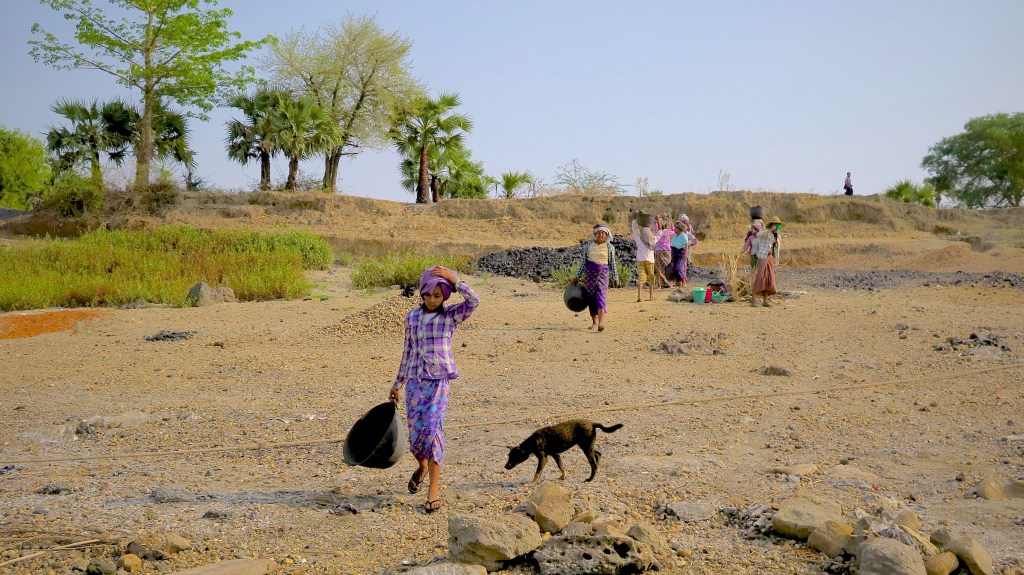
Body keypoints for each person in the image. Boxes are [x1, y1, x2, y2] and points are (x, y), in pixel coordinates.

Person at [389, 265, 480, 513]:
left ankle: (433, 491)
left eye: (437, 296)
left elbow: (474, 301)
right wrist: (397, 384)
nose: (431, 300)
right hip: (415, 383)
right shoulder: (412, 318)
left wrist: (456, 280)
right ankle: (422, 467)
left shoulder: (451, 316)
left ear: (445, 297)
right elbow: (407, 352)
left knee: (433, 430)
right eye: (427, 295)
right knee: (417, 438)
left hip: (439, 382)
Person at [572, 223, 619, 331]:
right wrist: (577, 276)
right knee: (591, 298)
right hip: (590, 275)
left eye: (603, 233)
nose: (600, 235)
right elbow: (583, 262)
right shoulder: (588, 245)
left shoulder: (609, 247)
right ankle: (594, 322)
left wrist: (616, 277)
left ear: (606, 235)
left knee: (601, 296)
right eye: (598, 233)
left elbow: (612, 263)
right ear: (595, 234)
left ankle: (601, 324)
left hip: (603, 274)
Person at [750, 216, 782, 307]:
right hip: (763, 256)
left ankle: (765, 300)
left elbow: (776, 249)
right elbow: (759, 234)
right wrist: (770, 230)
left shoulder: (778, 236)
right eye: (776, 225)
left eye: (779, 225)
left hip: (770, 258)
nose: (778, 227)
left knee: (769, 279)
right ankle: (753, 299)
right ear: (772, 225)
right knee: (760, 277)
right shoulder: (765, 232)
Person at [631, 215, 662, 302]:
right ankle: (651, 296)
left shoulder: (639, 239)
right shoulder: (653, 240)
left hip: (640, 260)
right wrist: (658, 221)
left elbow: (634, 229)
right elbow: (660, 232)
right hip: (650, 261)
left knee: (641, 278)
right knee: (651, 278)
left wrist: (635, 218)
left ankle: (639, 297)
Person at [652, 213, 674, 288]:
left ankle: (659, 284)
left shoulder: (658, 231)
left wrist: (659, 217)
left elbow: (653, 223)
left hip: (659, 251)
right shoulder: (668, 232)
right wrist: (671, 221)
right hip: (667, 251)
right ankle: (669, 283)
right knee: (668, 267)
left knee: (659, 268)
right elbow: (673, 229)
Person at [668, 220, 689, 287]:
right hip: (674, 253)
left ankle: (684, 280)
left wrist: (686, 254)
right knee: (674, 269)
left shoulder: (683, 235)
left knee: (679, 267)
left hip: (681, 253)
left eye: (676, 228)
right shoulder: (675, 236)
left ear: (679, 229)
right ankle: (679, 282)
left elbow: (686, 245)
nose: (674, 229)